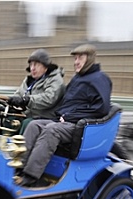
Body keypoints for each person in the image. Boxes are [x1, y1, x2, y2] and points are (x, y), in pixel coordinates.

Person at [15, 44, 112, 187]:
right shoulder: (77, 79)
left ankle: (31, 175)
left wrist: (69, 117)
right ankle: (19, 167)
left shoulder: (100, 79)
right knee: (33, 125)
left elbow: (101, 108)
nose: (76, 62)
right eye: (75, 58)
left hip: (81, 126)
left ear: (90, 59)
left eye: (80, 58)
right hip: (63, 121)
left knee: (51, 130)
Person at [7, 49, 65, 134]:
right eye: (31, 65)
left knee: (27, 123)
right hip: (28, 115)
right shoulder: (28, 81)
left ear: (45, 67)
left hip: (46, 117)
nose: (32, 68)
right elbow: (18, 95)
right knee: (8, 119)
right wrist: (8, 105)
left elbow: (48, 98)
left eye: (36, 65)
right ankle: (2, 143)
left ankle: (21, 146)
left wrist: (27, 100)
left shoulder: (55, 80)